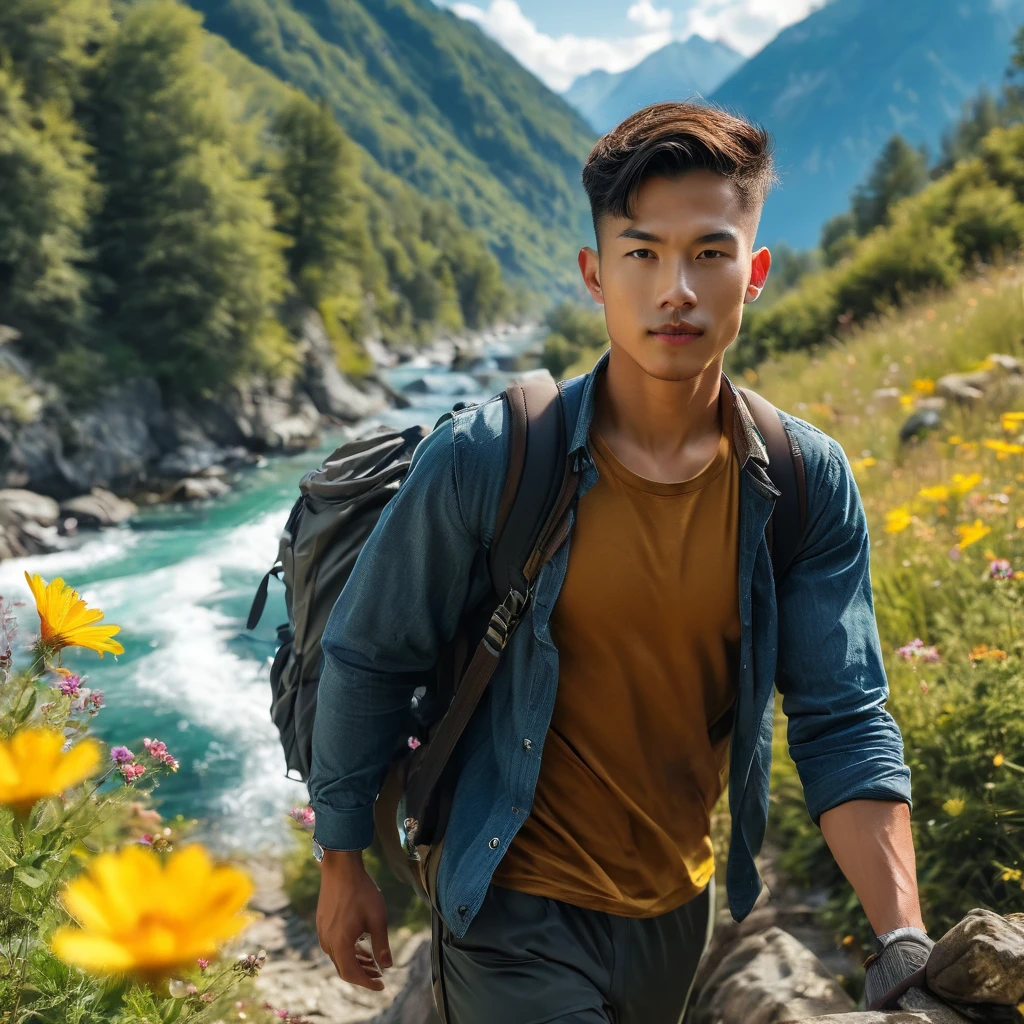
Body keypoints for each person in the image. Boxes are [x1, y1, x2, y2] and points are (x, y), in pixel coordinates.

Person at [307, 101, 930, 1023]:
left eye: (709, 254)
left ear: (753, 274)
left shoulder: (802, 482)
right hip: (505, 900)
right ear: (597, 276)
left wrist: (903, 940)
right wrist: (340, 858)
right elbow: (370, 654)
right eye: (642, 254)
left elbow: (843, 719)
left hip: (676, 907)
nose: (675, 288)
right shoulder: (491, 457)